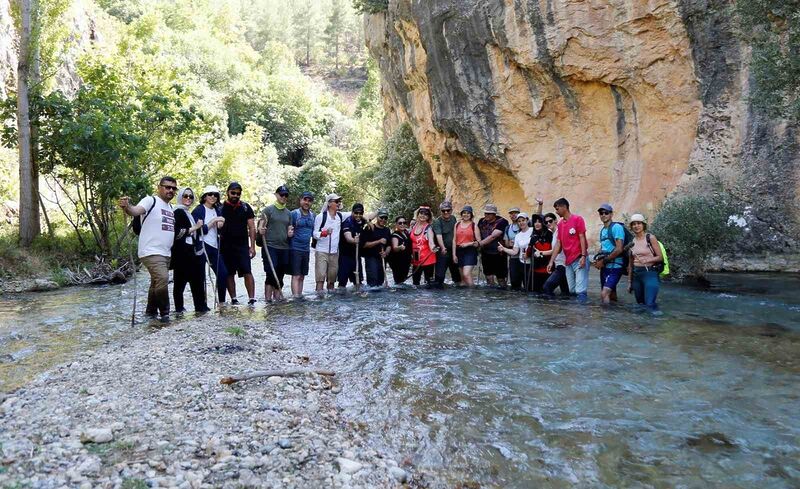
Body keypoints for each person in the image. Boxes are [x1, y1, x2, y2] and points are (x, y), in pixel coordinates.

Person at [118, 176, 177, 322]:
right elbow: (135, 211)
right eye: (167, 187)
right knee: (163, 278)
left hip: (165, 253)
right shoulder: (151, 200)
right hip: (151, 251)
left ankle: (150, 313)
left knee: (156, 282)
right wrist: (127, 207)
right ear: (159, 187)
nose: (170, 190)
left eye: (173, 188)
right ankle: (165, 314)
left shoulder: (171, 208)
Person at [172, 187, 209, 313]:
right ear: (180, 197)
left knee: (197, 281)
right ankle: (179, 310)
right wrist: (196, 227)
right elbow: (177, 233)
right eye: (185, 196)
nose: (188, 198)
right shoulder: (177, 212)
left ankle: (200, 307)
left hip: (192, 252)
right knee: (180, 283)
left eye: (191, 197)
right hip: (181, 253)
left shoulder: (188, 213)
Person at [220, 182, 256, 305]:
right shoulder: (220, 208)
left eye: (238, 194)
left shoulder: (246, 207)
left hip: (242, 246)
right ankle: (234, 299)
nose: (235, 195)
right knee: (229, 273)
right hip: (226, 246)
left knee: (247, 271)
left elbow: (251, 227)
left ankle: (251, 299)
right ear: (228, 193)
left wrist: (252, 246)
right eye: (233, 193)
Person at [546, 198, 589, 302]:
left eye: (557, 209)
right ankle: (574, 314)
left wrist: (583, 256)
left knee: (580, 290)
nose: (556, 211)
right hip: (568, 262)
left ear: (564, 207)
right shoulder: (560, 224)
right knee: (572, 290)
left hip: (579, 258)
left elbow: (582, 237)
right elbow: (558, 244)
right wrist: (551, 262)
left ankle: (581, 314)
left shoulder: (578, 219)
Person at [257, 185, 293, 302]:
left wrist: (290, 233)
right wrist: (260, 230)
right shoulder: (268, 210)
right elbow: (260, 226)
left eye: (286, 195)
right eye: (281, 194)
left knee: (280, 273)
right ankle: (268, 300)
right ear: (276, 195)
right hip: (270, 246)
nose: (283, 197)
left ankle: (277, 299)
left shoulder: (288, 213)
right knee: (271, 273)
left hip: (284, 247)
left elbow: (289, 228)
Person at [193, 186, 227, 305]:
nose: (213, 197)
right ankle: (202, 306)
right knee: (200, 277)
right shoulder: (198, 210)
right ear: (205, 196)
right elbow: (198, 230)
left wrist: (221, 224)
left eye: (215, 195)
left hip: (215, 246)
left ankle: (222, 302)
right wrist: (213, 222)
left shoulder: (217, 210)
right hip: (202, 245)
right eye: (210, 194)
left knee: (223, 274)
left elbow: (220, 230)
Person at [627, 213, 663, 310]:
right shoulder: (632, 242)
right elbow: (630, 265)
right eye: (634, 224)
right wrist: (630, 282)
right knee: (640, 305)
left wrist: (648, 259)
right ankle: (642, 325)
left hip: (650, 273)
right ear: (631, 226)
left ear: (643, 225)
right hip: (636, 276)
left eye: (639, 223)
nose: (636, 226)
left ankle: (655, 322)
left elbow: (660, 257)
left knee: (650, 304)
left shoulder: (650, 238)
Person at [593, 203, 625, 304]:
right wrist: (598, 259)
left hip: (615, 266)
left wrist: (604, 261)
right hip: (605, 267)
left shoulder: (616, 227)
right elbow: (604, 248)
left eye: (606, 213)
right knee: (612, 295)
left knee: (604, 293)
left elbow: (619, 249)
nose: (603, 215)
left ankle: (606, 317)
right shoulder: (603, 230)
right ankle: (615, 315)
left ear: (611, 214)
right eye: (601, 213)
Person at [313, 194, 344, 293]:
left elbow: (354, 214)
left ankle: (330, 304)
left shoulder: (340, 216)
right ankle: (319, 301)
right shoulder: (321, 217)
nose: (339, 203)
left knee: (332, 280)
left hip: (334, 253)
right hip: (322, 251)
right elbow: (314, 234)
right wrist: (324, 233)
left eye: (339, 201)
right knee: (320, 279)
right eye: (336, 201)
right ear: (330, 203)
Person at [288, 191, 316, 298]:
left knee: (302, 275)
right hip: (295, 248)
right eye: (305, 200)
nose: (307, 202)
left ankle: (299, 295)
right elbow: (288, 228)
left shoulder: (313, 216)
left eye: (309, 201)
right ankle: (295, 297)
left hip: (306, 249)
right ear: (300, 200)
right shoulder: (294, 214)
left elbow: (314, 232)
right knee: (296, 275)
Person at [498, 212, 532, 291]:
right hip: (522, 262)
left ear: (527, 220)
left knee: (529, 286)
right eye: (519, 221)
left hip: (531, 263)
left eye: (523, 220)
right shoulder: (518, 236)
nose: (521, 223)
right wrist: (503, 249)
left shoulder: (532, 231)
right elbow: (515, 251)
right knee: (518, 284)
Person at [477, 204, 509, 286]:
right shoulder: (481, 221)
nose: (486, 215)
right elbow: (477, 233)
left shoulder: (502, 222)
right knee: (488, 276)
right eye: (485, 213)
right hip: (486, 253)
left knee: (501, 278)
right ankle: (490, 296)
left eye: (489, 213)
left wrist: (478, 244)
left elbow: (493, 236)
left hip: (499, 254)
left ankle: (502, 295)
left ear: (494, 214)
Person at [432, 201, 461, 287]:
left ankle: (458, 295)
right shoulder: (437, 222)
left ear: (451, 210)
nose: (446, 212)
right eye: (443, 211)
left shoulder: (453, 218)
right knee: (440, 275)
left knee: (456, 274)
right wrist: (443, 247)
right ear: (440, 211)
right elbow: (438, 235)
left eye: (448, 210)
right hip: (442, 251)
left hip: (453, 250)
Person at [361, 208, 392, 287]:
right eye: (381, 217)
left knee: (380, 282)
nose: (383, 220)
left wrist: (386, 253)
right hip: (371, 258)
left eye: (385, 218)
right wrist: (378, 241)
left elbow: (389, 245)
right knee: (373, 283)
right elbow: (364, 244)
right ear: (377, 217)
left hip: (382, 259)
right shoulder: (370, 228)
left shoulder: (387, 230)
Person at [338, 203, 367, 290]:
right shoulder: (347, 223)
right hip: (345, 257)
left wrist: (370, 221)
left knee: (358, 282)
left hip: (356, 257)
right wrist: (354, 240)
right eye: (356, 213)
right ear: (352, 212)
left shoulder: (361, 221)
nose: (358, 215)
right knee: (342, 283)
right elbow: (348, 238)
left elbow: (371, 216)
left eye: (360, 213)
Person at [541, 212, 570, 296]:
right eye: (546, 222)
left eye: (550, 221)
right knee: (565, 293)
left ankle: (551, 308)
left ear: (556, 220)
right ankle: (563, 308)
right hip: (559, 265)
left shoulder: (559, 231)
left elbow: (557, 249)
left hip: (562, 265)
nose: (548, 223)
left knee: (547, 287)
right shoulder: (554, 234)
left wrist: (541, 253)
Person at [452, 205, 481, 287]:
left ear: (471, 215)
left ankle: (472, 294)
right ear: (461, 214)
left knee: (466, 274)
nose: (466, 215)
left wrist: (468, 243)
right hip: (459, 251)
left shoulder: (474, 226)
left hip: (470, 251)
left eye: (468, 213)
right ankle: (464, 298)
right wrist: (454, 255)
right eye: (464, 213)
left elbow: (479, 242)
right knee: (463, 280)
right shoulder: (457, 225)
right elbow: (454, 240)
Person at [410, 206, 437, 285]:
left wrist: (433, 247)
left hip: (427, 260)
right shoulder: (413, 226)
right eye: (421, 213)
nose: (423, 215)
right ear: (418, 214)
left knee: (428, 284)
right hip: (416, 260)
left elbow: (431, 242)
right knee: (415, 283)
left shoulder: (428, 228)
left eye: (426, 214)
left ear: (428, 217)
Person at [528, 214, 554, 292]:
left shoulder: (549, 234)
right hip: (535, 268)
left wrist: (536, 242)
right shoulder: (533, 235)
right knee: (534, 292)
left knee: (545, 292)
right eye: (535, 222)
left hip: (546, 268)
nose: (537, 224)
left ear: (543, 223)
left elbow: (547, 249)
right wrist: (529, 247)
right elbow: (528, 253)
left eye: (539, 222)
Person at [389, 216, 412, 284]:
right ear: (396, 224)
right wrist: (400, 247)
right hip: (398, 263)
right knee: (399, 281)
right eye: (400, 223)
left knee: (402, 280)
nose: (402, 224)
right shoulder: (395, 236)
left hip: (406, 261)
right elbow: (394, 248)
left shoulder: (406, 233)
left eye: (404, 223)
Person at [504, 207, 522, 289]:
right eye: (511, 213)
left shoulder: (525, 225)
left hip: (525, 256)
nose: (513, 215)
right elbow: (506, 243)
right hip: (513, 257)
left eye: (515, 213)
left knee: (526, 281)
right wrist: (509, 243)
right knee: (514, 281)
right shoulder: (508, 228)